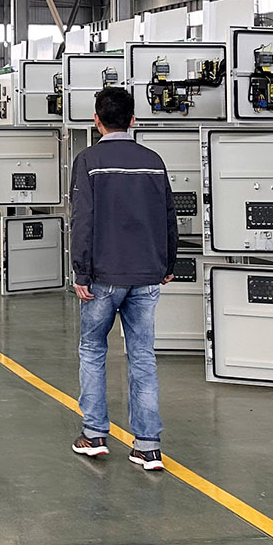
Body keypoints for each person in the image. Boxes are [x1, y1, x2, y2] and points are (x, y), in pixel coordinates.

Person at [68, 85, 177, 471]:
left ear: (96, 121)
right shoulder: (153, 161)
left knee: (93, 350)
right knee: (143, 356)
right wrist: (168, 264)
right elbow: (169, 216)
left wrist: (81, 271)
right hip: (146, 275)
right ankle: (148, 447)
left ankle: (94, 435)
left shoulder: (89, 160)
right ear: (133, 120)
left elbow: (82, 219)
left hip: (103, 276)